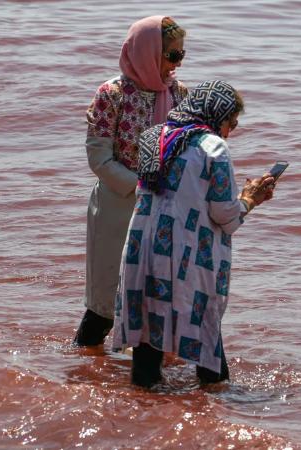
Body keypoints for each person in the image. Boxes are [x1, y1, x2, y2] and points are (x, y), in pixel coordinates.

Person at [111, 80, 277, 387]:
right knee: (204, 331)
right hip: (187, 254)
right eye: (232, 122)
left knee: (147, 340)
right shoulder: (214, 148)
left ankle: (142, 414)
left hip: (142, 249)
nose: (232, 130)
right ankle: (217, 405)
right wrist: (251, 199)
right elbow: (223, 215)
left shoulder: (153, 136)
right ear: (217, 116)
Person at [75, 16, 189, 346]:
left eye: (181, 56)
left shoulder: (179, 94)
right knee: (103, 308)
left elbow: (189, 149)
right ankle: (82, 374)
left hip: (164, 210)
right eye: (171, 55)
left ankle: (149, 386)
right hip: (117, 209)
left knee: (160, 305)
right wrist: (141, 187)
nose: (175, 65)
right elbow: (99, 158)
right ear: (146, 51)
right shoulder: (111, 95)